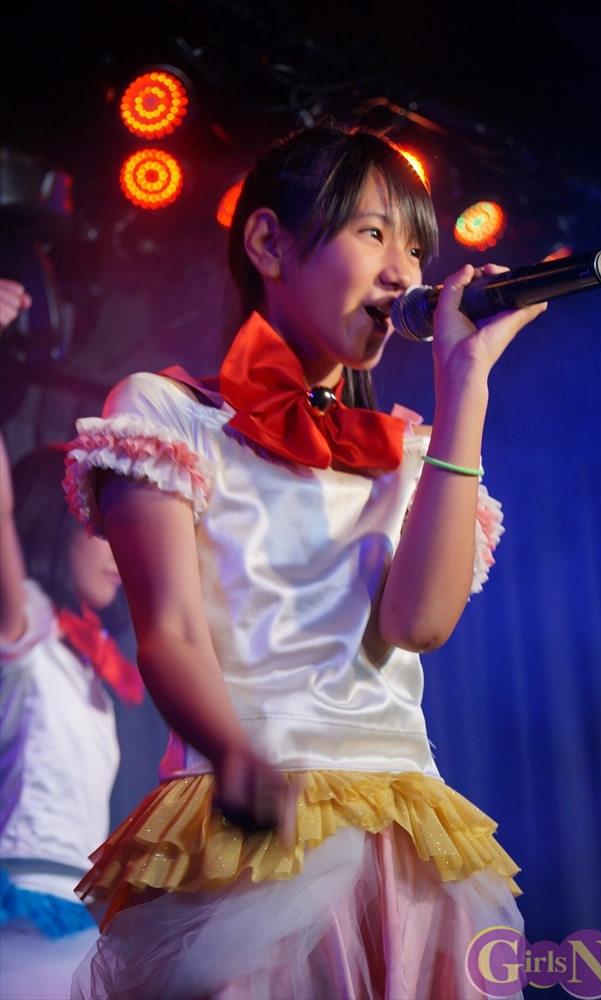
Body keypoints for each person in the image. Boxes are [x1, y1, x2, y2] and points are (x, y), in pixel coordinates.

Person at [65, 125, 546, 1000]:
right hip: (256, 824)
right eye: (373, 233)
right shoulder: (168, 413)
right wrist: (233, 751)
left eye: (416, 249)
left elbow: (419, 625)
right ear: (269, 243)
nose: (402, 272)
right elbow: (170, 628)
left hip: (404, 834)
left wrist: (465, 386)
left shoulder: (411, 453)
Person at [0, 287, 143, 1000]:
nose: (122, 552)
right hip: (18, 908)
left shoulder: (89, 662)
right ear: (53, 522)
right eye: (102, 530)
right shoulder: (22, 623)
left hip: (71, 914)